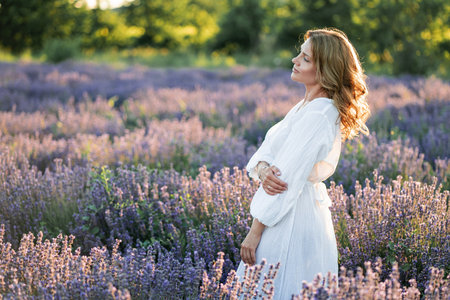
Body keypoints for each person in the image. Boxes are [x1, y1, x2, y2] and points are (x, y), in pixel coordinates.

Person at [234, 28, 371, 299]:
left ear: (325, 69)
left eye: (305, 58)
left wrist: (254, 231)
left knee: (276, 287)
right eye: (300, 54)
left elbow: (284, 180)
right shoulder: (305, 106)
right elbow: (267, 154)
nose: (295, 60)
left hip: (291, 216)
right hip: (287, 210)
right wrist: (263, 169)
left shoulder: (320, 114)